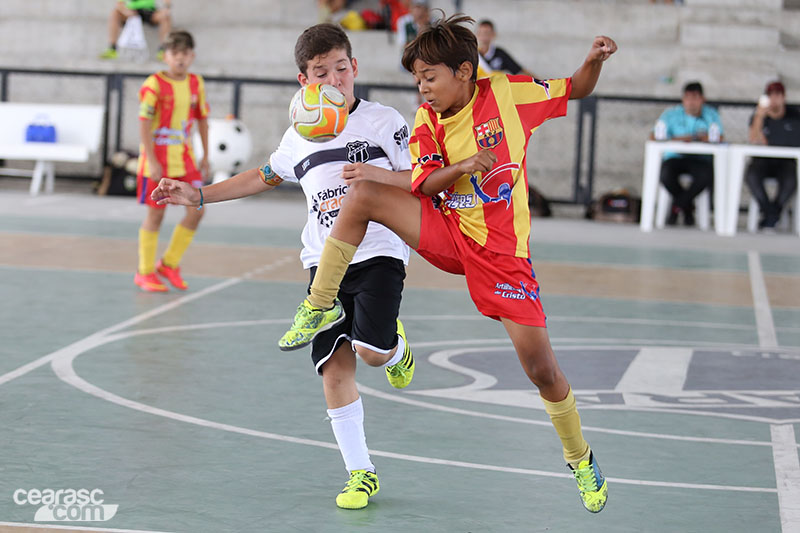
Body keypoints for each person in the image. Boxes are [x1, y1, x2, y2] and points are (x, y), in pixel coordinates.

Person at [279, 13, 616, 514]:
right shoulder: (427, 119)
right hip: (446, 232)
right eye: (416, 80)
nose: (422, 90)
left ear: (464, 71)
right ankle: (319, 303)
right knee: (364, 193)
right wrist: (460, 167)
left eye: (428, 78)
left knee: (542, 371)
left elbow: (576, 89)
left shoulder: (510, 94)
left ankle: (581, 459)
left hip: (501, 257)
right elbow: (426, 183)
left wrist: (592, 61)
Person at [150, 23, 416, 510]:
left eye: (341, 69)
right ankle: (361, 473)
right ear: (304, 82)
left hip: (378, 251)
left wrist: (379, 177)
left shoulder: (384, 121)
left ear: (354, 68)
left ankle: (395, 349)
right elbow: (264, 176)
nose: (333, 80)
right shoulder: (300, 136)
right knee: (334, 367)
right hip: (323, 260)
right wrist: (200, 194)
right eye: (321, 73)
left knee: (372, 353)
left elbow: (418, 177)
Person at [134, 30, 209, 293]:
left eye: (184, 54)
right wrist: (152, 160)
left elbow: (202, 120)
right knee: (156, 214)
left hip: (185, 160)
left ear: (192, 56)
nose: (179, 59)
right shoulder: (153, 84)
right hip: (157, 162)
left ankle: (169, 263)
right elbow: (143, 124)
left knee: (197, 208)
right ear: (165, 56)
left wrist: (205, 156)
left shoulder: (195, 83)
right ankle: (144, 272)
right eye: (174, 54)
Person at [650, 81, 724, 226]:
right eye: (688, 98)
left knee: (706, 176)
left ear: (702, 99)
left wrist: (704, 138)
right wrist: (689, 138)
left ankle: (677, 206)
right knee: (665, 174)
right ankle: (686, 207)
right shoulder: (671, 114)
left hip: (700, 160)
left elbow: (720, 137)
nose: (691, 102)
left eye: (695, 97)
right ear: (683, 99)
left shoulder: (711, 115)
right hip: (676, 157)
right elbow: (655, 136)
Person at [746, 80, 800, 229]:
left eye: (778, 95)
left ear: (784, 97)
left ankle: (772, 213)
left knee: (791, 179)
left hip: (785, 162)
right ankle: (770, 212)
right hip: (763, 161)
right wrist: (759, 116)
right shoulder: (759, 116)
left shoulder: (794, 115)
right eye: (771, 95)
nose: (774, 99)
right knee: (751, 175)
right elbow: (754, 139)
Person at [100, 0, 173, 60]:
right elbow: (119, 4)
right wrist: (126, 11)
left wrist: (166, 8)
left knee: (165, 17)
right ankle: (112, 48)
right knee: (115, 13)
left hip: (150, 11)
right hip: (132, 11)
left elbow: (167, 2)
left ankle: (163, 50)